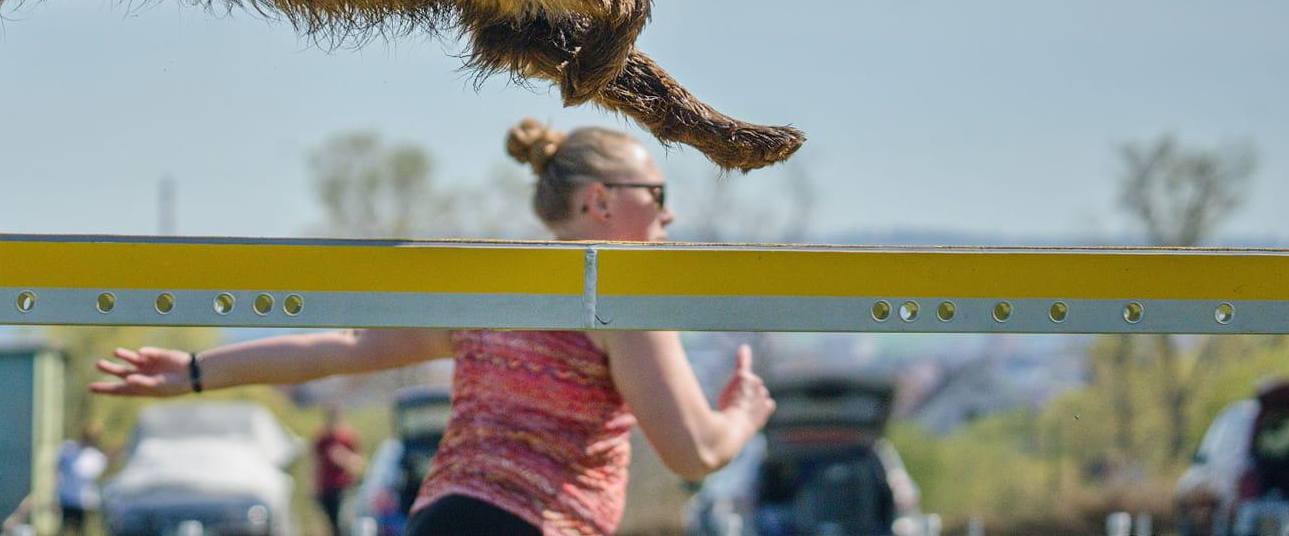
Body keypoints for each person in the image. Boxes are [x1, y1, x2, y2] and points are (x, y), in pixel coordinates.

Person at [93, 120, 777, 536]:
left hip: (439, 520)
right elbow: (692, 450)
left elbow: (340, 348)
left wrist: (193, 372)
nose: (669, 217)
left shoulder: (493, 287)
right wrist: (744, 414)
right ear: (599, 201)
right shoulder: (622, 293)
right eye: (657, 195)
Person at [312, 404, 366, 533]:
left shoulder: (348, 436)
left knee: (345, 522)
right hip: (327, 488)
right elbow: (315, 463)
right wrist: (314, 487)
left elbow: (360, 463)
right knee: (333, 525)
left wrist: (343, 458)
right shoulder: (322, 439)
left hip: (344, 488)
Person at [54, 421, 108, 533]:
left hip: (84, 503)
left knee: (82, 531)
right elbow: (58, 470)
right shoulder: (68, 448)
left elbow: (88, 474)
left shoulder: (96, 457)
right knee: (64, 530)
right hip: (66, 500)